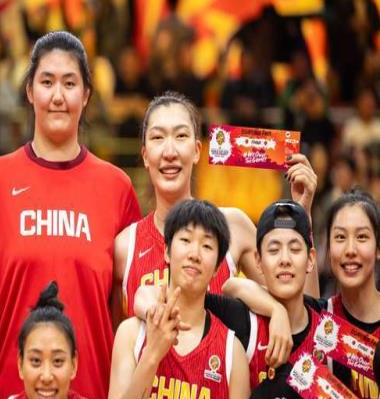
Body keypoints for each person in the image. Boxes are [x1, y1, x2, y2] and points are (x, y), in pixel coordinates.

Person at [0, 31, 141, 399]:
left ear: (86, 95)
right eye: (47, 82)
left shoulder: (117, 188)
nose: (58, 96)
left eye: (69, 83)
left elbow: (124, 310)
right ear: (30, 91)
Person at [113, 91, 318, 321]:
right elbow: (116, 337)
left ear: (197, 151)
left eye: (181, 136)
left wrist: (303, 219)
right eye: (158, 137)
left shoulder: (233, 226)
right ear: (144, 155)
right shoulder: (124, 247)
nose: (169, 152)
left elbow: (306, 318)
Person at [108, 199, 251, 399]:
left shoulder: (231, 353)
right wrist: (152, 355)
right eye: (185, 240)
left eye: (207, 246)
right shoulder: (131, 334)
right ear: (166, 251)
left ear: (218, 267)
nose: (194, 254)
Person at [0, 281, 118, 399]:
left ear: (74, 365)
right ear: (20, 364)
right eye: (36, 361)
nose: (46, 376)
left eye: (57, 361)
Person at [323, 190, 380, 399]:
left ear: (378, 248)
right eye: (340, 237)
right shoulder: (322, 318)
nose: (350, 249)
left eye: (362, 237)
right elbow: (235, 287)